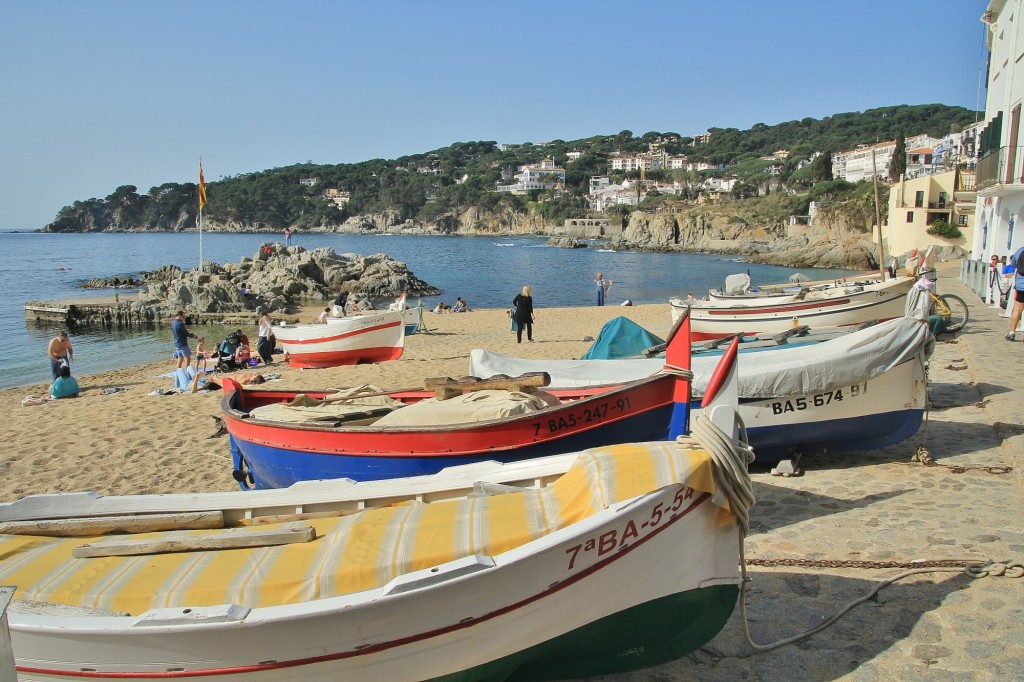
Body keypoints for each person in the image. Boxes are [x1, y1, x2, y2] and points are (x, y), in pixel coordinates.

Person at [1007, 245, 1024, 341]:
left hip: (1020, 286)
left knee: (1017, 310)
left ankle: (1012, 333)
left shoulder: (1020, 250)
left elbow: (1013, 264)